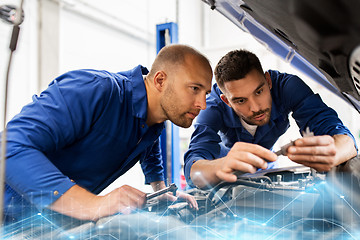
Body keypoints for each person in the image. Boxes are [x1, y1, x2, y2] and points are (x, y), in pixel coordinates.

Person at [2, 44, 213, 222]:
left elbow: (149, 149)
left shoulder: (154, 122)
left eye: (206, 93)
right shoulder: (95, 90)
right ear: (160, 80)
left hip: (44, 223)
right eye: (195, 88)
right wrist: (92, 205)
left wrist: (161, 191)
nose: (202, 104)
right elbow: (9, 147)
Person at [184, 49, 357, 188]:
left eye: (259, 92)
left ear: (268, 81)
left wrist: (334, 152)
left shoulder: (288, 87)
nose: (256, 107)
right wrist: (220, 167)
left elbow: (344, 139)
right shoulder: (212, 107)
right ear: (226, 101)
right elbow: (194, 168)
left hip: (267, 167)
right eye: (241, 100)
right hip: (225, 174)